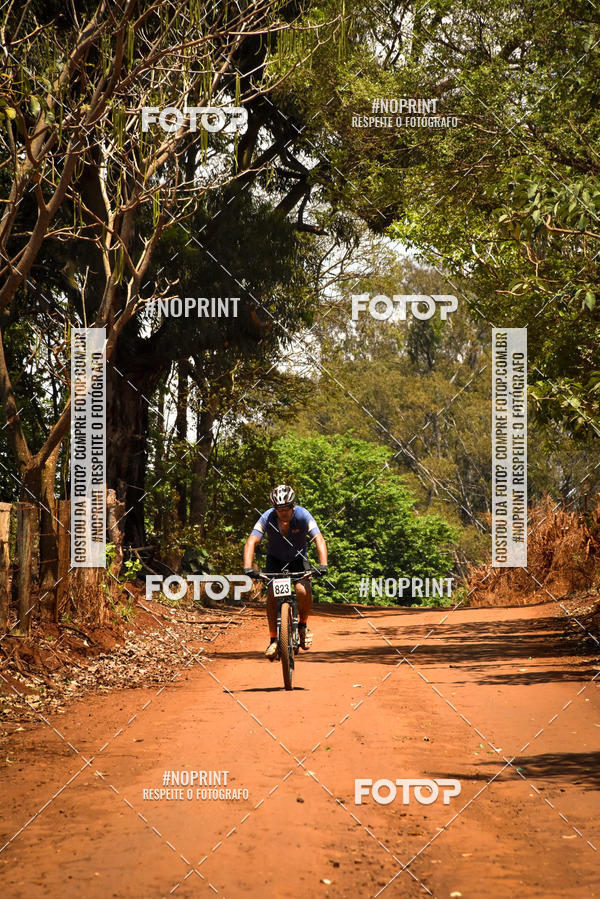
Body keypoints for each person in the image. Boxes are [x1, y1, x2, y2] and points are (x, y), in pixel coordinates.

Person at [243, 485, 328, 660]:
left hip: (297, 560)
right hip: (275, 560)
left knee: (302, 590)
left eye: (286, 509)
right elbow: (252, 541)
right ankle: (274, 639)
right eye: (279, 509)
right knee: (273, 594)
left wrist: (323, 564)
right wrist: (248, 567)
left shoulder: (303, 515)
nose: (283, 513)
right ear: (275, 508)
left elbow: (318, 538)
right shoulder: (267, 517)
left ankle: (303, 627)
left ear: (292, 506)